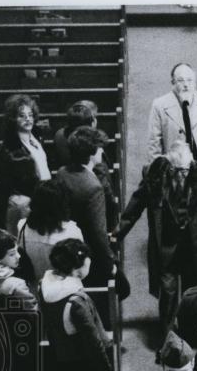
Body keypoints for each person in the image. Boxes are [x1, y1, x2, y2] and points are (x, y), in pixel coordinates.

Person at [114, 140, 197, 327]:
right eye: (177, 171)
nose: (182, 175)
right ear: (169, 165)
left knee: (195, 291)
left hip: (195, 246)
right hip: (167, 245)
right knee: (168, 292)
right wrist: (117, 233)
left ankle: (193, 330)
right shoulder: (154, 174)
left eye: (185, 170)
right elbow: (135, 206)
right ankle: (169, 337)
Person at [37, 238, 112, 371]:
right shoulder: (77, 301)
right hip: (84, 361)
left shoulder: (43, 286)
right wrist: (105, 370)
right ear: (77, 269)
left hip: (60, 354)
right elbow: (93, 341)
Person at [55, 126, 122, 292]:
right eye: (100, 148)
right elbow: (98, 233)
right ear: (92, 153)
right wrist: (111, 265)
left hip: (66, 247)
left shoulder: (62, 173)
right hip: (89, 256)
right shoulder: (93, 187)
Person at [147, 63, 197, 197]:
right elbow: (154, 143)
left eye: (190, 80)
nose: (186, 84)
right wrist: (157, 173)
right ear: (172, 83)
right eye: (181, 80)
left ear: (195, 82)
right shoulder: (159, 105)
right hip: (175, 169)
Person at [52, 99, 118, 228]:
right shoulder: (93, 149)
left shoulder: (59, 135)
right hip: (91, 198)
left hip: (67, 195)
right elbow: (104, 184)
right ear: (92, 121)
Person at [0, 93, 51, 233]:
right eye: (22, 115)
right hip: (25, 203)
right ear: (13, 119)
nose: (28, 119)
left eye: (30, 115)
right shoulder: (8, 149)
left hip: (44, 196)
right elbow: (12, 185)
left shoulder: (36, 138)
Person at [15, 178, 83, 285]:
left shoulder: (21, 227)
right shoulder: (72, 232)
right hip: (62, 294)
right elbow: (80, 271)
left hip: (32, 292)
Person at [0, 229, 37, 308]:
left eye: (17, 251)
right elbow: (33, 313)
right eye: (12, 254)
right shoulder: (17, 284)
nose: (18, 256)